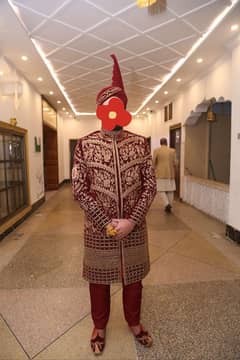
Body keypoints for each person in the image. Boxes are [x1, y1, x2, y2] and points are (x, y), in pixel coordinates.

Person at [72, 54, 157, 355]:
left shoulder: (140, 143)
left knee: (134, 280)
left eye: (119, 104)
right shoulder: (85, 144)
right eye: (109, 104)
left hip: (135, 229)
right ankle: (99, 325)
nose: (114, 109)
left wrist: (132, 220)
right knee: (99, 282)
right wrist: (104, 222)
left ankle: (134, 323)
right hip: (98, 231)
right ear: (101, 110)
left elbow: (151, 185)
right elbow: (79, 188)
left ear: (124, 110)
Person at [153, 138, 177, 213]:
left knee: (160, 189)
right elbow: (176, 163)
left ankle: (166, 204)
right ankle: (169, 204)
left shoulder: (156, 150)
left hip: (160, 173)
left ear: (160, 143)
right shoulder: (172, 151)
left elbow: (153, 162)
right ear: (167, 143)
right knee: (170, 190)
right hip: (171, 174)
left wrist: (154, 170)